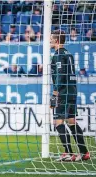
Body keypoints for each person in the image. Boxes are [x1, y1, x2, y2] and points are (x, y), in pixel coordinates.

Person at [50, 30, 90, 162]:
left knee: (58, 122)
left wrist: (55, 93)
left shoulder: (58, 55)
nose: (49, 41)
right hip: (72, 91)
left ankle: (68, 152)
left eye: (51, 39)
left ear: (56, 41)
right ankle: (84, 152)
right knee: (72, 122)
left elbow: (60, 75)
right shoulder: (69, 54)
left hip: (63, 92)